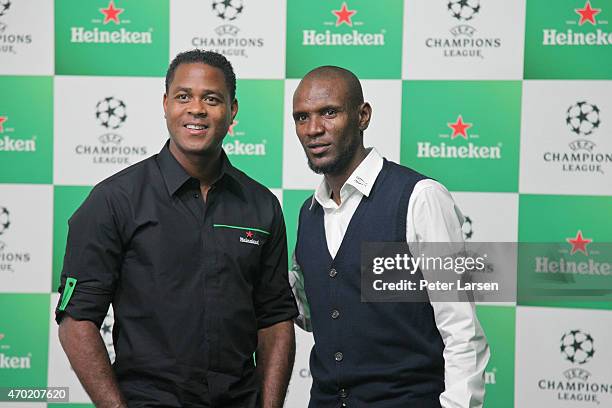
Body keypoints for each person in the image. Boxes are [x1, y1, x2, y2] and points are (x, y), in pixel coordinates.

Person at [55, 50, 298, 408]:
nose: (196, 109)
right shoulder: (113, 200)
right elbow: (76, 321)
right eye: (183, 96)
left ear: (232, 111)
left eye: (212, 99)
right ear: (166, 104)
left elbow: (276, 320)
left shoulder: (262, 205)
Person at [289, 66, 490, 408]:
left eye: (329, 112)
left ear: (362, 116)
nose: (314, 129)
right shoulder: (309, 213)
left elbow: (461, 329)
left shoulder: (419, 197)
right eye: (301, 117)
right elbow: (315, 313)